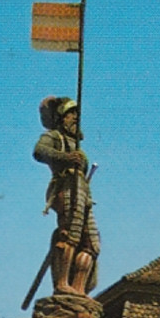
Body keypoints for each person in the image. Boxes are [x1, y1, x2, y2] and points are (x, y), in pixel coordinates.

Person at [35, 96, 101, 296]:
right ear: (61, 117)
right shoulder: (55, 136)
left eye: (77, 115)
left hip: (83, 192)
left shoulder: (76, 142)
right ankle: (62, 283)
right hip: (66, 187)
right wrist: (65, 158)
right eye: (71, 114)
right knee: (70, 234)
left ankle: (79, 288)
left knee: (92, 243)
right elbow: (39, 151)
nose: (75, 118)